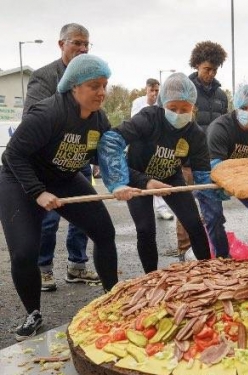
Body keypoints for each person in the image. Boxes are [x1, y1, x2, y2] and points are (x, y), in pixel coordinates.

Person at [0, 54, 119, 341]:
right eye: (94, 86)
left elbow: (110, 159)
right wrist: (38, 193)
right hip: (18, 179)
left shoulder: (99, 120)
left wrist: (124, 184)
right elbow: (12, 154)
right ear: (73, 87)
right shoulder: (47, 113)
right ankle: (33, 313)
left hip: (63, 178)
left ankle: (114, 298)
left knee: (104, 232)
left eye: (104, 85)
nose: (101, 92)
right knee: (25, 251)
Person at [98, 72, 212, 272]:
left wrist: (216, 192)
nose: (178, 113)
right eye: (172, 108)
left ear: (193, 108)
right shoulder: (149, 118)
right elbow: (111, 139)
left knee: (194, 223)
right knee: (145, 229)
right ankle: (151, 278)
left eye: (184, 109)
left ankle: (207, 274)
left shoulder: (195, 134)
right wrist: (132, 181)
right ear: (162, 104)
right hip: (137, 176)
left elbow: (203, 173)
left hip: (170, 178)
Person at [23, 23, 99, 292]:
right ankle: (43, 269)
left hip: (79, 158)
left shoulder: (93, 75)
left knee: (84, 217)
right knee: (49, 219)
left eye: (86, 44)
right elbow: (32, 117)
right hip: (48, 164)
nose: (82, 48)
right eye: (76, 42)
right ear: (61, 44)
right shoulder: (44, 77)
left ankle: (77, 265)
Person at [197, 84, 248, 260]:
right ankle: (222, 259)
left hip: (245, 178)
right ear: (236, 107)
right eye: (244, 108)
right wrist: (230, 183)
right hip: (211, 175)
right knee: (214, 217)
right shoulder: (220, 127)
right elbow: (215, 165)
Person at [167, 41, 229, 258]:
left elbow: (225, 127)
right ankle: (185, 251)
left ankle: (216, 253)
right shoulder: (185, 90)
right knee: (186, 208)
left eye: (214, 69)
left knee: (213, 211)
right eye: (206, 69)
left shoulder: (221, 96)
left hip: (210, 160)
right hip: (184, 159)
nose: (210, 73)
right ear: (196, 65)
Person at [130, 78, 174, 221]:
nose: (154, 93)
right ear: (146, 90)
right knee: (142, 179)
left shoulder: (160, 104)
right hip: (140, 146)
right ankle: (144, 211)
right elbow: (136, 122)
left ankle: (161, 209)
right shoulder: (138, 103)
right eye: (152, 90)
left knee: (158, 177)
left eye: (157, 90)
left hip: (156, 146)